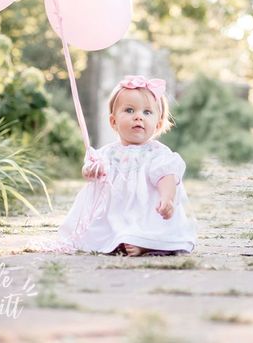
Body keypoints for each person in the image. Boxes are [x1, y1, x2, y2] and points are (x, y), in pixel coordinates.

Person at [56, 75, 197, 256]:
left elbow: (167, 176)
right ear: (113, 121)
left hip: (146, 212)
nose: (138, 117)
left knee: (152, 229)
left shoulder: (158, 154)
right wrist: (91, 170)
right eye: (130, 110)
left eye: (147, 112)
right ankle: (117, 240)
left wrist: (167, 198)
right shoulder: (107, 153)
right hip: (116, 212)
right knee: (102, 233)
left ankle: (146, 244)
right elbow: (88, 173)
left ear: (158, 123)